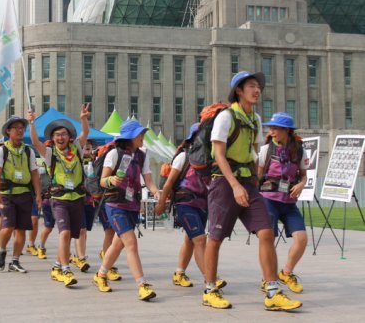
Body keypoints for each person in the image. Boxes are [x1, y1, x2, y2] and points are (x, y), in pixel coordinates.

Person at [203, 71, 301, 311]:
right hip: (225, 183)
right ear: (239, 90)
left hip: (248, 183)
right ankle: (209, 289)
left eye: (258, 86)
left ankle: (272, 291)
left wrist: (254, 182)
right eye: (251, 86)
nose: (257, 90)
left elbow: (254, 152)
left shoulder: (255, 119)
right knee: (215, 238)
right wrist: (235, 185)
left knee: (266, 232)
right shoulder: (226, 116)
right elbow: (218, 154)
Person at [93, 119, 160, 301]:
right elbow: (102, 181)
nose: (143, 137)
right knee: (131, 243)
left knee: (117, 245)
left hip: (132, 205)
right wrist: (111, 180)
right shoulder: (114, 154)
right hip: (114, 205)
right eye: (140, 134)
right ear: (130, 137)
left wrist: (155, 192)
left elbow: (148, 179)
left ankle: (100, 274)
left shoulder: (142, 155)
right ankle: (142, 285)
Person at [155, 123, 226, 290]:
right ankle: (210, 278)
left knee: (190, 239)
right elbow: (169, 183)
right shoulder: (183, 157)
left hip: (203, 204)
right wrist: (161, 204)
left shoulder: (211, 159)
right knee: (200, 240)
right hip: (185, 203)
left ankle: (179, 273)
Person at [28, 104, 90, 287]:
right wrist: (32, 123)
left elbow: (85, 134)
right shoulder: (49, 153)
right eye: (57, 135)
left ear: (69, 136)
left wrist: (83, 119)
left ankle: (56, 266)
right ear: (52, 138)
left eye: (63, 134)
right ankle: (65, 270)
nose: (60, 137)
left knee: (71, 235)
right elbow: (35, 142)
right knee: (64, 233)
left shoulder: (77, 149)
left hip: (77, 198)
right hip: (59, 199)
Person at [258, 112, 308, 294]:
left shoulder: (299, 150)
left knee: (301, 239)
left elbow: (304, 175)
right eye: (270, 128)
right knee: (268, 240)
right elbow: (258, 175)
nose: (271, 131)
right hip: (268, 200)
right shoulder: (266, 150)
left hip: (289, 203)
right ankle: (267, 278)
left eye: (275, 128)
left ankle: (286, 273)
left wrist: (301, 185)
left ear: (286, 130)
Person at [0, 116, 42, 273]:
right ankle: (1, 250)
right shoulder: (2, 150)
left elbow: (34, 174)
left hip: (25, 194)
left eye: (22, 128)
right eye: (16, 128)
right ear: (8, 131)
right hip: (7, 194)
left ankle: (15, 261)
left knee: (21, 229)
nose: (20, 131)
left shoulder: (28, 151)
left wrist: (38, 195)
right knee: (8, 226)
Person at [71, 139, 97, 272]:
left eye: (90, 148)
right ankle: (81, 258)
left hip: (90, 200)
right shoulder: (76, 161)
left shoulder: (95, 162)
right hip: (77, 199)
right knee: (80, 230)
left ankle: (78, 255)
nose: (88, 151)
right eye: (85, 148)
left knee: (85, 231)